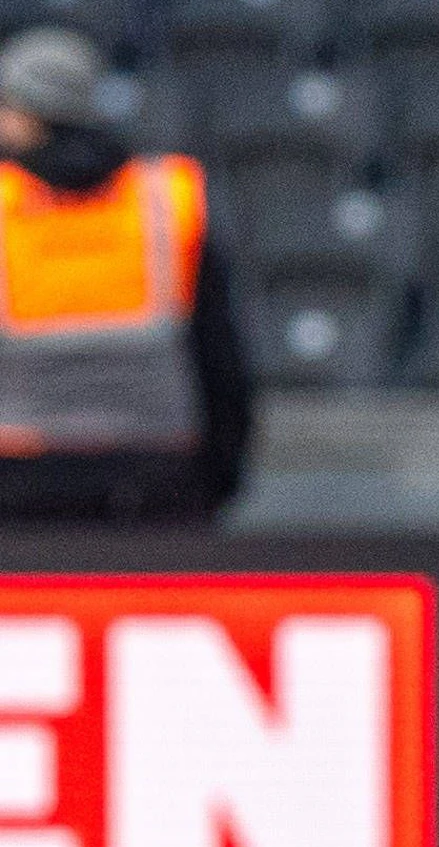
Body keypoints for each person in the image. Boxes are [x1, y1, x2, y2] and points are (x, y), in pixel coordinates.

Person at [0, 27, 251, 524]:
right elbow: (220, 356)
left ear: (21, 112)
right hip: (161, 480)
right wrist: (217, 479)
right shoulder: (164, 198)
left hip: (19, 485)